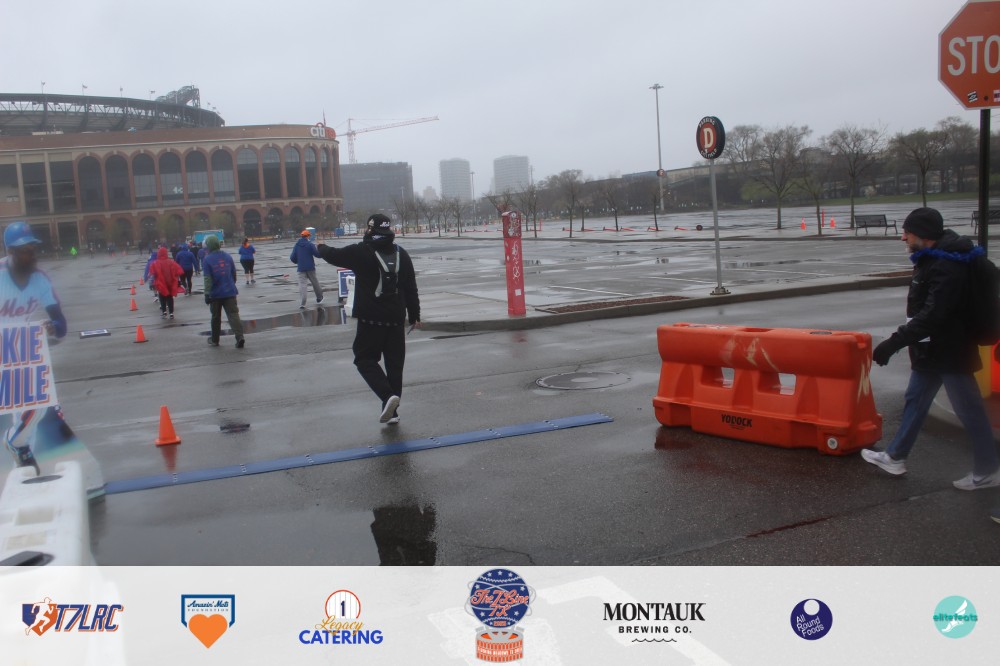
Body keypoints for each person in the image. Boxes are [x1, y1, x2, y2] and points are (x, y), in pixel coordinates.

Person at [863, 207, 1000, 490]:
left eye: (907, 232)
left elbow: (934, 314)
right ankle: (895, 457)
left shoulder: (947, 265)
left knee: (969, 410)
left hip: (951, 351)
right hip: (933, 349)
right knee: (915, 400)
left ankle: (988, 470)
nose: (903, 237)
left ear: (923, 234)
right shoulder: (934, 258)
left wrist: (894, 342)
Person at [317, 213, 420, 424]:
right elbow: (411, 287)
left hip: (371, 319)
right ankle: (392, 412)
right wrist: (415, 315)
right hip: (395, 319)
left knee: (364, 358)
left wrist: (320, 246)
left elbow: (333, 255)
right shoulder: (401, 253)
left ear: (371, 229)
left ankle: (387, 396)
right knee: (394, 366)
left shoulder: (362, 251)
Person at [0, 222, 68, 475]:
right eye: (24, 250)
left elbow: (61, 324)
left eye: (33, 249)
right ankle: (18, 445)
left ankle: (19, 446)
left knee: (38, 403)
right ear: (10, 251)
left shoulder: (40, 280)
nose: (31, 254)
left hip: (23, 348)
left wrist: (52, 327)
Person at [202, 234, 246, 348]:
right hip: (229, 291)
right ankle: (240, 337)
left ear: (209, 246)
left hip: (215, 293)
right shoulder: (227, 256)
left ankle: (215, 340)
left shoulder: (207, 259)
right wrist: (231, 284)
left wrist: (207, 294)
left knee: (216, 317)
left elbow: (207, 279)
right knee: (233, 315)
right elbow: (233, 273)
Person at [290, 229, 324, 308]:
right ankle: (319, 297)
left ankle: (303, 303)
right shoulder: (310, 245)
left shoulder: (297, 245)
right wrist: (323, 251)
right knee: (315, 282)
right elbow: (317, 254)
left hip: (301, 268)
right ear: (308, 236)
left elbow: (292, 257)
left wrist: (298, 262)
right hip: (310, 267)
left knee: (302, 285)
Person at [148, 246, 184, 319]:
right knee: (170, 298)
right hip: (170, 283)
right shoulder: (171, 262)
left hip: (161, 283)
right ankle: (171, 313)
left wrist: (151, 282)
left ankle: (164, 311)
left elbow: (152, 273)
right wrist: (177, 280)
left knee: (162, 297)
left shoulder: (156, 263)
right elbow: (178, 270)